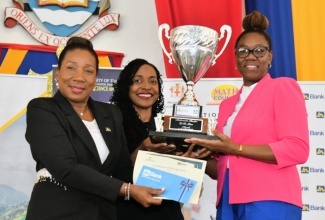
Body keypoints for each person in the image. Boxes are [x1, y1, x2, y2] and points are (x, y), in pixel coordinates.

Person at [184, 10, 309, 220]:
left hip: (271, 199)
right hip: (227, 200)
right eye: (243, 51)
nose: (251, 56)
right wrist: (196, 158)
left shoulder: (283, 87)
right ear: (235, 58)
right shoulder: (227, 104)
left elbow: (297, 148)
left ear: (270, 56)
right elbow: (224, 166)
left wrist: (235, 148)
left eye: (259, 50)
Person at [25, 37, 165, 220]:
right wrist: (127, 189)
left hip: (103, 214)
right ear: (57, 73)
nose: (79, 77)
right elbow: (66, 168)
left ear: (95, 77)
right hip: (57, 212)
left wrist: (178, 179)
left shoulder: (111, 113)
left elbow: (123, 169)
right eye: (71, 67)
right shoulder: (42, 109)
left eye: (88, 70)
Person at [110, 58, 184, 220]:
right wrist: (142, 149)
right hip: (127, 211)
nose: (146, 86)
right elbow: (112, 176)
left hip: (168, 212)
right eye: (137, 80)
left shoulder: (169, 127)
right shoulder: (112, 125)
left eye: (153, 81)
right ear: (126, 87)